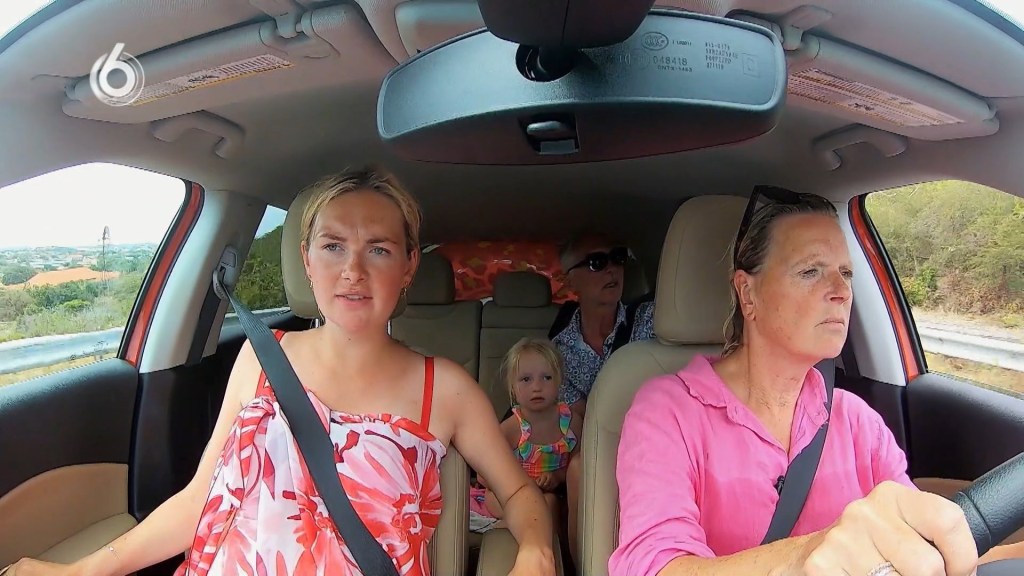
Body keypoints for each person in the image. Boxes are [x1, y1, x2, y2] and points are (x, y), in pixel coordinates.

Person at [6, 167, 555, 576]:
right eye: (333, 246)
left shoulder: (447, 388)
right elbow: (200, 501)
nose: (353, 270)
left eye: (379, 250)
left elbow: (518, 493)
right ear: (308, 259)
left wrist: (535, 551)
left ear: (409, 265)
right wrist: (81, 570)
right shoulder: (260, 358)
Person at [609, 192, 1024, 576]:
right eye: (811, 271)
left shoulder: (857, 421)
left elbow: (920, 550)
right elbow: (655, 567)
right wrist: (808, 553)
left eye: (846, 273)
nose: (841, 291)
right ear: (748, 294)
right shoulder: (667, 411)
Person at [551, 233, 656, 568]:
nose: (612, 269)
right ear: (571, 281)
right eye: (597, 262)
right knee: (580, 467)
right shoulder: (558, 350)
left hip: (657, 437)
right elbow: (578, 421)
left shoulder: (652, 320)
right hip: (600, 443)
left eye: (618, 258)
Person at [471, 338, 582, 535]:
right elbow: (483, 474)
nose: (537, 387)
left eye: (547, 378)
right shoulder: (513, 428)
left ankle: (550, 546)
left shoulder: (571, 423)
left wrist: (556, 477)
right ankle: (516, 529)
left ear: (560, 381)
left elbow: (579, 468)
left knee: (550, 502)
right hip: (511, 494)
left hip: (555, 494)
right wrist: (522, 485)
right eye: (526, 379)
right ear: (513, 388)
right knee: (540, 504)